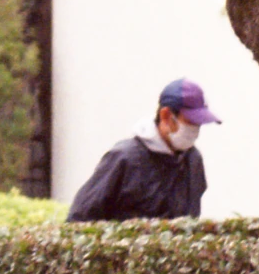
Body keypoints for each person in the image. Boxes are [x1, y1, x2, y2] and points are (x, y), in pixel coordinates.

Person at [65, 77, 217, 222]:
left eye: (198, 124)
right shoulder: (124, 159)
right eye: (190, 122)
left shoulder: (192, 161)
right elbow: (80, 218)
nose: (194, 130)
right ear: (165, 116)